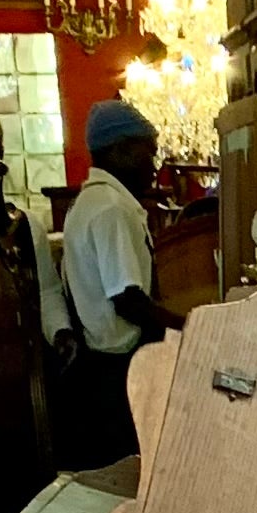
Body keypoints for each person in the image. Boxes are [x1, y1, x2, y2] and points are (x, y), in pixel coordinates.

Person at [50, 97, 174, 468]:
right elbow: (128, 300)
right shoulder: (111, 209)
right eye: (146, 154)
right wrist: (190, 326)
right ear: (120, 151)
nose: (153, 167)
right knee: (129, 473)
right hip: (117, 371)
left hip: (98, 369)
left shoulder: (89, 202)